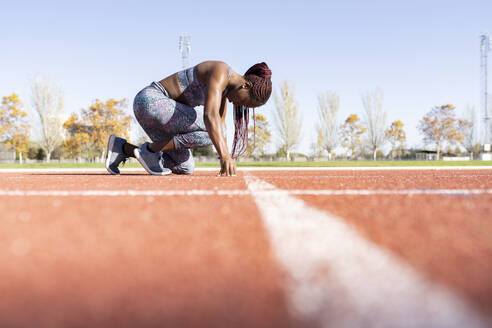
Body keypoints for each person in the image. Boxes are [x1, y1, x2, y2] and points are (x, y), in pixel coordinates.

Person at [105, 61, 272, 177]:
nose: (238, 104)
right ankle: (149, 151)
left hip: (162, 116)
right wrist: (225, 156)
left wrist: (224, 155)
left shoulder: (225, 93)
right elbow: (210, 117)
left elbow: (220, 126)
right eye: (243, 101)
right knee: (211, 130)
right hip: (150, 101)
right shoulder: (221, 71)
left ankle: (123, 148)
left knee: (185, 167)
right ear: (246, 85)